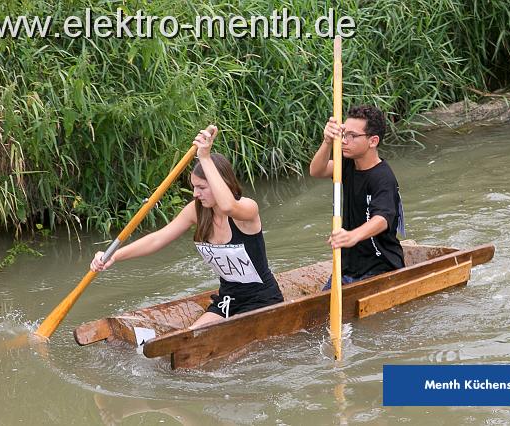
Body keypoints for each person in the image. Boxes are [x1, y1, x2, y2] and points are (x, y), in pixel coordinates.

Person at [91, 126, 283, 328]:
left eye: (201, 187)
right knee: (191, 335)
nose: (195, 194)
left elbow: (227, 206)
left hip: (263, 301)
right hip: (228, 302)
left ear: (221, 184)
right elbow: (158, 238)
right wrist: (114, 255)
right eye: (193, 187)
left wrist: (205, 157)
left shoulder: (247, 209)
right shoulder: (197, 211)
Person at [309, 105, 405, 289]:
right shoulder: (347, 163)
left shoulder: (383, 177)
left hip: (380, 266)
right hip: (348, 267)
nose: (344, 141)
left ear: (373, 141)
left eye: (352, 136)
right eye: (344, 134)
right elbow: (316, 170)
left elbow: (383, 219)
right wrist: (327, 141)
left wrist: (353, 236)